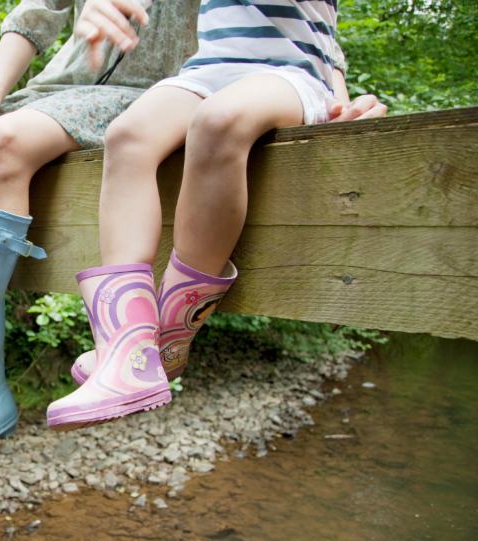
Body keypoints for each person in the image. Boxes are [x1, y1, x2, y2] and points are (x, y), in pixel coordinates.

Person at [0, 0, 386, 465]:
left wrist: (336, 91)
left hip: (164, 88)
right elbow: (38, 10)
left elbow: (310, 29)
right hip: (96, 88)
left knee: (3, 144)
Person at [45, 0, 388, 431]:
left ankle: (163, 344)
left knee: (218, 121)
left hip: (290, 73)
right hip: (206, 69)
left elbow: (324, 36)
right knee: (127, 135)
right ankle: (124, 347)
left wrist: (340, 97)